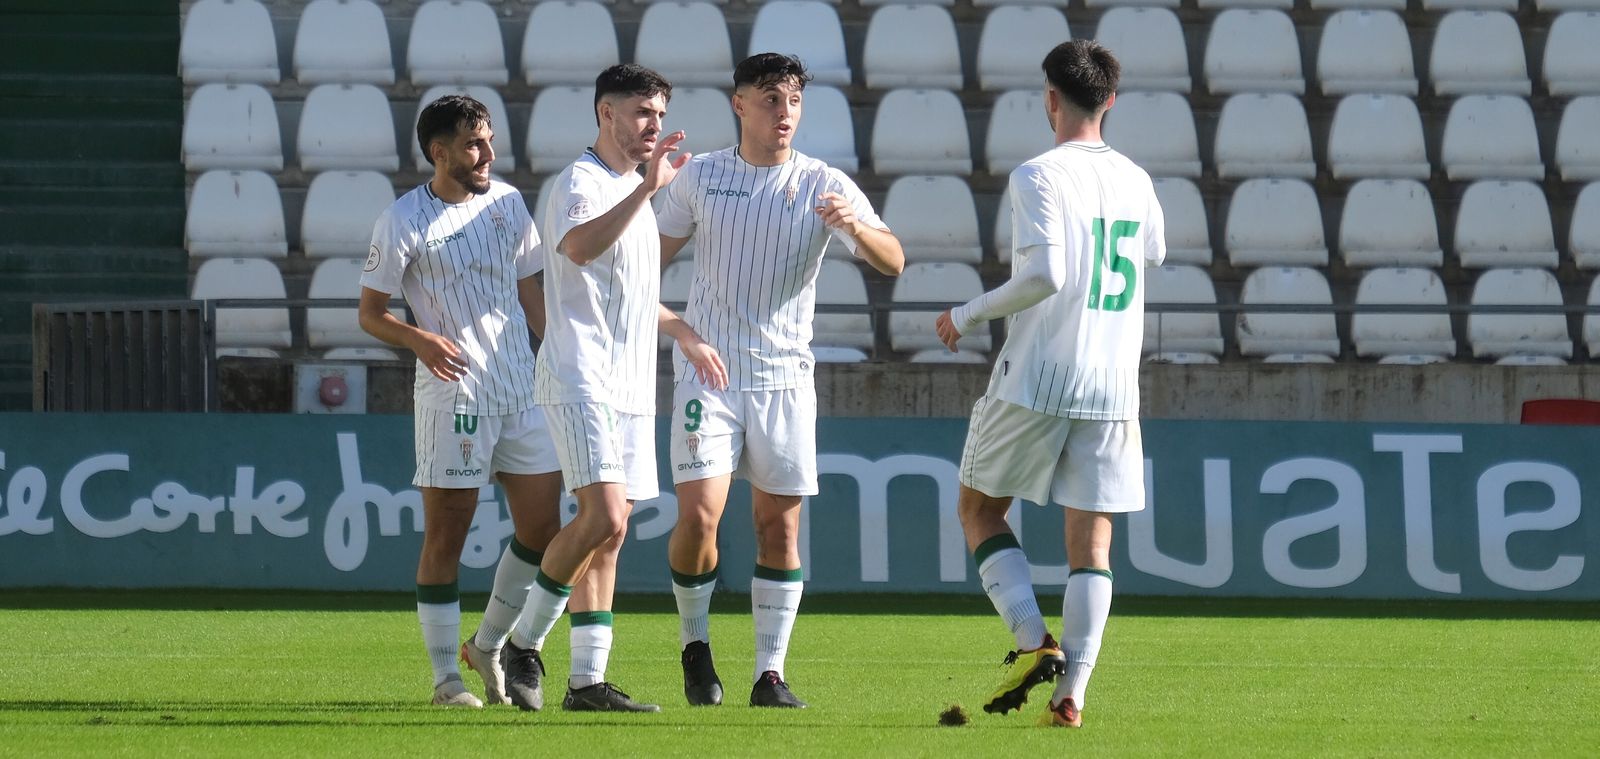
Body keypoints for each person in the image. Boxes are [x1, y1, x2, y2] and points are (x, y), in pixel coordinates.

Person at [655, 52, 905, 709]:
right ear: (739, 104)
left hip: (785, 379)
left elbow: (894, 259)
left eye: (793, 100)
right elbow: (639, 269)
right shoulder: (702, 177)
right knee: (701, 517)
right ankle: (694, 641)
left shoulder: (823, 182)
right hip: (707, 371)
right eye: (770, 99)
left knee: (779, 530)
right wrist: (678, 329)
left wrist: (855, 226)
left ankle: (770, 672)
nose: (784, 112)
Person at [934, 39, 1164, 729]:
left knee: (978, 510)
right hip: (1112, 382)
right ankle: (1073, 697)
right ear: (1112, 101)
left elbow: (1046, 276)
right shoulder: (1137, 178)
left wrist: (965, 313)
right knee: (1091, 546)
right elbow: (1151, 250)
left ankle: (1036, 641)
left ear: (1051, 98)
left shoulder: (1039, 174)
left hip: (1037, 375)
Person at [502, 63, 728, 714]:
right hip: (581, 374)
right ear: (606, 113)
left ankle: (587, 681)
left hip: (629, 384)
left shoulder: (635, 186)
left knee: (612, 533)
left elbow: (634, 293)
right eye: (640, 112)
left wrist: (682, 329)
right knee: (604, 515)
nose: (652, 125)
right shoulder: (584, 181)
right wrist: (646, 190)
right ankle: (523, 641)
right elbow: (576, 247)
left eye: (659, 113)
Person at [357, 94, 566, 708]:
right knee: (448, 531)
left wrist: (562, 360)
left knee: (543, 528)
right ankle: (446, 677)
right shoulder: (401, 220)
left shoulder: (507, 203)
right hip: (455, 392)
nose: (488, 154)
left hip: (522, 388)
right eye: (474, 144)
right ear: (438, 151)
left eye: (489, 141)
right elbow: (371, 315)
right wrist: (417, 337)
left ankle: (489, 642)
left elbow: (532, 294)